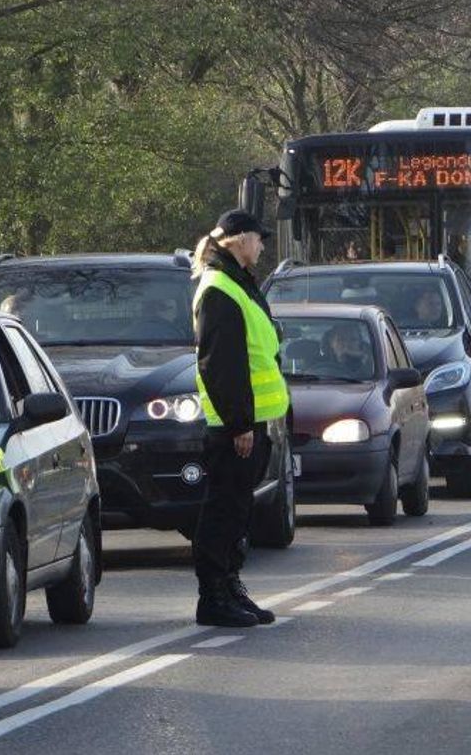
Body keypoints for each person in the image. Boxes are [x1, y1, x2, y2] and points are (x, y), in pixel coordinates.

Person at [190, 209, 290, 628]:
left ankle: (230, 586)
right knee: (223, 511)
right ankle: (213, 597)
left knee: (237, 511)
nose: (263, 246)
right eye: (259, 239)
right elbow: (222, 365)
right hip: (234, 426)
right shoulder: (219, 289)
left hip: (250, 421)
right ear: (240, 240)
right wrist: (239, 424)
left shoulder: (234, 281)